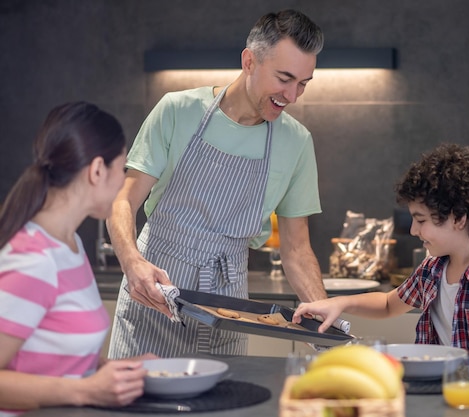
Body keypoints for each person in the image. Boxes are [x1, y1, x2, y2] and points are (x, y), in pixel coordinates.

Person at [107, 9, 328, 359]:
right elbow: (123, 200)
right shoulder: (178, 110)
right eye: (284, 78)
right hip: (154, 294)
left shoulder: (296, 142)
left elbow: (297, 250)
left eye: (303, 83)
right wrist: (131, 262)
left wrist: (322, 315)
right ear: (249, 61)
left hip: (227, 308)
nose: (292, 95)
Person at [294, 144, 469, 371]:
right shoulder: (434, 268)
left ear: (459, 218)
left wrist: (421, 365)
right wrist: (339, 304)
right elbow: (388, 304)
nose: (414, 231)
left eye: (421, 220)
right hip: (456, 387)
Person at [0, 102, 157, 416]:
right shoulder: (34, 260)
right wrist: (87, 391)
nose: (122, 181)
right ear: (97, 170)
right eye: (122, 168)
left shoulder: (69, 246)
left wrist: (116, 370)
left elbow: (54, 356)